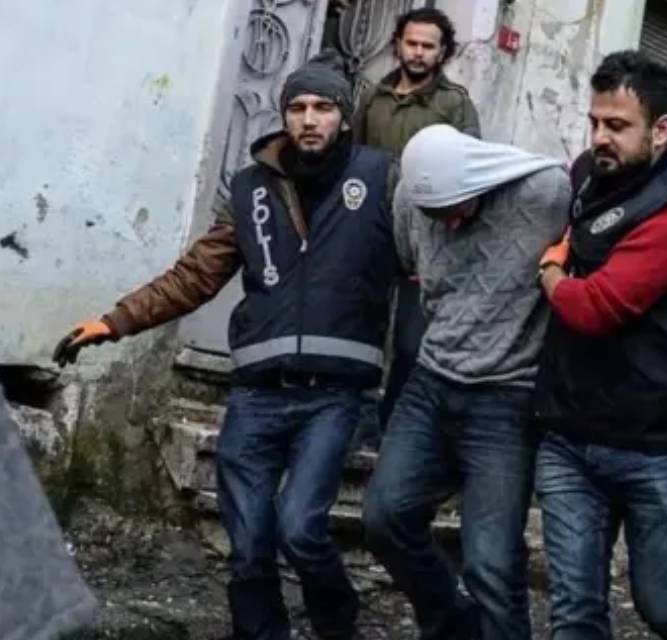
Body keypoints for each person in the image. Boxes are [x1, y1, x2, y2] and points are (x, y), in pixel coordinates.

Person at [52, 54, 399, 640]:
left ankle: (338, 623)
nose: (308, 119)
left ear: (344, 115)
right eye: (297, 107)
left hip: (335, 396)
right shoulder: (251, 188)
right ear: (283, 115)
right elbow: (195, 275)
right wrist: (114, 322)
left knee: (300, 528)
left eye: (322, 107)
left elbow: (431, 250)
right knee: (249, 544)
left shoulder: (382, 177)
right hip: (257, 394)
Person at [531, 50, 667, 640]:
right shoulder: (587, 173)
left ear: (661, 131)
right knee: (574, 612)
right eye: (594, 122)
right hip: (569, 436)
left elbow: (596, 308)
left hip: (653, 447)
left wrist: (550, 271)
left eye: (617, 126)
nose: (599, 138)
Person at [361, 124, 570, 640]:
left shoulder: (545, 193)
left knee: (491, 564)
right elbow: (409, 261)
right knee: (384, 519)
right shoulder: (410, 199)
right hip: (431, 382)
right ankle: (453, 625)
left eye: (457, 208)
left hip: (507, 396)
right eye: (437, 215)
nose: (449, 222)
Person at [351, 7, 483, 429]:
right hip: (371, 231)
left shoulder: (454, 104)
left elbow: (469, 171)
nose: (419, 52)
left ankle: (393, 425)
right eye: (412, 43)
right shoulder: (373, 98)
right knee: (361, 326)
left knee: (410, 342)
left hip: (426, 239)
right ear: (398, 45)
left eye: (429, 46)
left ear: (443, 52)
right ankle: (355, 417)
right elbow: (352, 161)